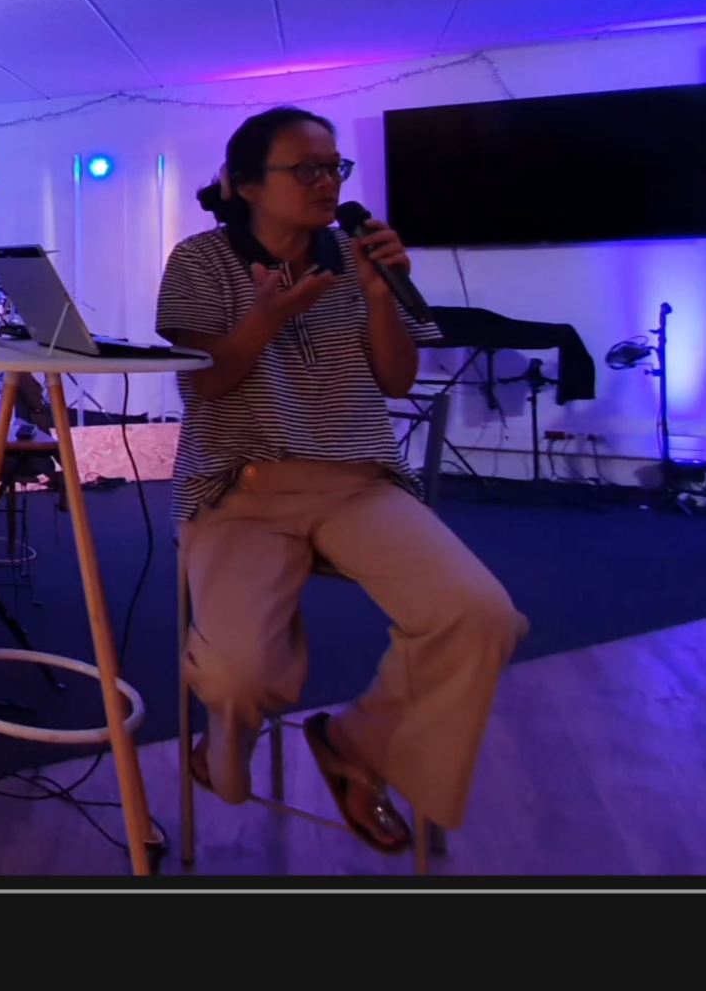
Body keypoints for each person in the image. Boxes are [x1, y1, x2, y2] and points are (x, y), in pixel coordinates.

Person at [155, 105, 525, 852]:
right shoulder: (200, 261)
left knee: (480, 615)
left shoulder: (359, 256)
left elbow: (396, 379)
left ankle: (357, 748)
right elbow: (206, 385)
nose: (327, 182)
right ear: (246, 185)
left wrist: (382, 296)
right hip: (241, 488)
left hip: (358, 481)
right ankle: (225, 738)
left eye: (334, 167)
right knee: (237, 674)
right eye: (306, 169)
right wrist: (264, 317)